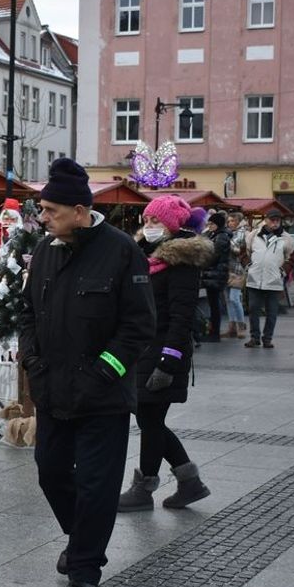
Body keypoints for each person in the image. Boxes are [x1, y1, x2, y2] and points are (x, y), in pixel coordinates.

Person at [19, 157, 156, 587]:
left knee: (98, 485)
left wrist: (105, 371)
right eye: (42, 210)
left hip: (102, 397)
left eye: (50, 211)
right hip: (52, 389)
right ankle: (81, 538)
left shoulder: (121, 251)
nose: (43, 218)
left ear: (80, 210)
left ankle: (84, 571)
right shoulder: (45, 251)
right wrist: (31, 359)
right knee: (51, 472)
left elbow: (138, 325)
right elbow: (26, 313)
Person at [119, 195, 213, 513]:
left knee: (150, 419)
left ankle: (144, 488)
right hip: (143, 350)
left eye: (156, 221)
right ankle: (189, 482)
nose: (149, 226)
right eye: (146, 220)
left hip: (163, 352)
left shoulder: (181, 261)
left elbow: (181, 316)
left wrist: (169, 360)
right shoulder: (147, 256)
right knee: (149, 418)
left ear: (172, 225)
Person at [244, 209, 294, 348]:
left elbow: (291, 258)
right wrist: (249, 265)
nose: (275, 222)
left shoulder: (286, 239)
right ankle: (254, 337)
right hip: (255, 279)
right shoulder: (254, 235)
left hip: (274, 280)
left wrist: (282, 271)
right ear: (266, 220)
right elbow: (246, 251)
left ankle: (267, 338)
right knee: (253, 310)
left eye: (278, 220)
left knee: (272, 312)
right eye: (272, 219)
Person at [200, 212, 231, 342]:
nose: (209, 225)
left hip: (216, 274)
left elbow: (214, 255)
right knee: (214, 304)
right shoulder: (216, 235)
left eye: (212, 223)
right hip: (214, 274)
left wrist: (203, 263)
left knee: (215, 305)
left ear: (217, 224)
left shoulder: (221, 237)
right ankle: (213, 332)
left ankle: (215, 333)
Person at [224, 212, 248, 338]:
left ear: (238, 221)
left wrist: (226, 240)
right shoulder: (229, 232)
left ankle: (241, 325)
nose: (229, 223)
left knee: (234, 298)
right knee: (228, 300)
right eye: (228, 221)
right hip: (227, 269)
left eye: (232, 221)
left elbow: (239, 249)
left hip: (238, 269)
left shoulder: (243, 232)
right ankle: (232, 327)